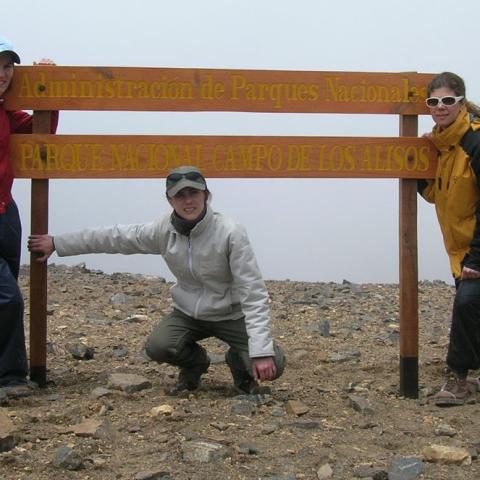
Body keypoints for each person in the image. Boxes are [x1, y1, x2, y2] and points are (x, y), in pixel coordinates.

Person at [28, 165, 285, 394]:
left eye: (194, 193)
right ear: (169, 200)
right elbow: (114, 237)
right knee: (159, 347)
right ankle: (195, 364)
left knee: (275, 363)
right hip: (188, 314)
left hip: (230, 314)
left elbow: (253, 293)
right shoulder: (163, 230)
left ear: (206, 195)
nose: (188, 201)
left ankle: (240, 368)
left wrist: (261, 352)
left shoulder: (230, 232)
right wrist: (58, 243)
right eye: (180, 195)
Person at [0, 36, 58, 397]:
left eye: (8, 66)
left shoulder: (7, 111)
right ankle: (11, 378)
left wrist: (47, 89)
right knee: (7, 296)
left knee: (6, 291)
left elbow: (42, 134)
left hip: (5, 212)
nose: (3, 73)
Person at [419, 71, 480, 406]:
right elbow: (439, 194)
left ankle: (457, 379)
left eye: (447, 101)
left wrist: (477, 258)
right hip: (461, 248)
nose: (439, 107)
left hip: (474, 249)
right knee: (473, 307)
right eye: (433, 101)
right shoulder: (444, 146)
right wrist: (414, 171)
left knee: (468, 303)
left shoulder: (474, 141)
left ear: (460, 102)